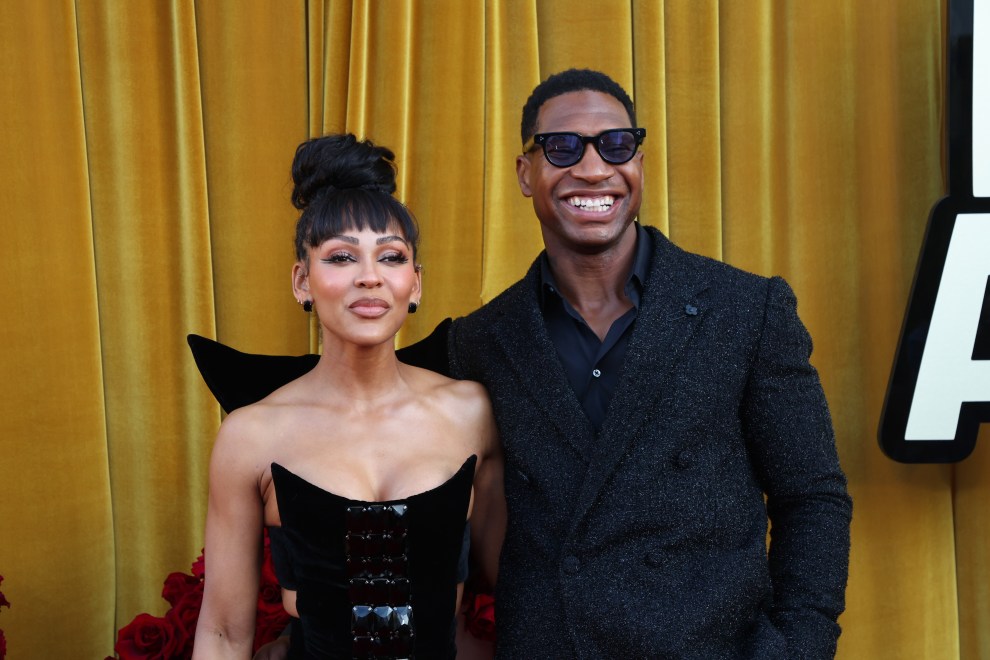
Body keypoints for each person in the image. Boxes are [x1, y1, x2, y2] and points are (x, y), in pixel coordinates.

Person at [195, 69, 852, 659]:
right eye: (562, 148)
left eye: (616, 145)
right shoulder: (482, 343)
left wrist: (797, 648)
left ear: (641, 163)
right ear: (525, 173)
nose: (593, 168)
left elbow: (811, 495)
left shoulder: (745, 309)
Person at [191, 133, 504, 659]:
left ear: (416, 283)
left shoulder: (471, 413)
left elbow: (522, 587)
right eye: (340, 257)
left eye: (390, 257)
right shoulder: (249, 436)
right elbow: (223, 632)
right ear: (302, 281)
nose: (369, 278)